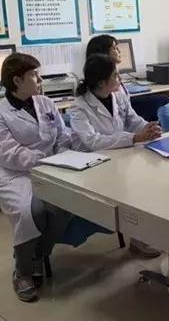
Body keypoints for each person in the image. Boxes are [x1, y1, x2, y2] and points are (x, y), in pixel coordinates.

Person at [0, 53, 76, 302]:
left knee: (64, 207)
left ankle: (36, 256)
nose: (40, 79)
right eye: (34, 75)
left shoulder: (45, 103)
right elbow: (8, 153)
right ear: (17, 80)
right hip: (14, 174)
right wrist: (45, 159)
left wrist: (62, 154)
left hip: (51, 167)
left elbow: (62, 134)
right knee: (28, 214)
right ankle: (22, 272)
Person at [69, 54, 162, 258]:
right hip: (93, 163)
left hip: (120, 156)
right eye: (115, 75)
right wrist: (134, 137)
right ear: (101, 82)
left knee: (148, 181)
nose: (120, 79)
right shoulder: (79, 107)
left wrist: (148, 127)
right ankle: (138, 237)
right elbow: (93, 141)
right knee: (131, 187)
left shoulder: (117, 95)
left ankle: (142, 234)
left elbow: (132, 119)